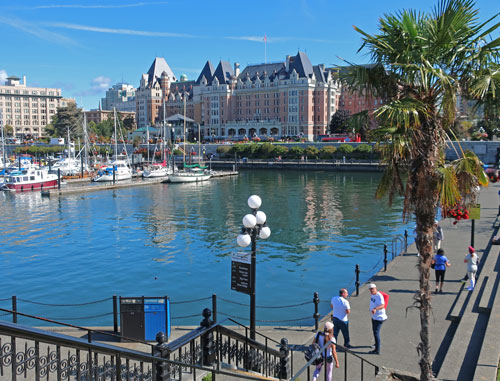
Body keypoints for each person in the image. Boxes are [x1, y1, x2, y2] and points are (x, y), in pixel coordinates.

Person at [368, 283, 387, 355]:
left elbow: (382, 305)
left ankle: (377, 350)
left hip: (379, 318)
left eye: (373, 289)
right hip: (374, 316)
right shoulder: (373, 294)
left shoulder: (379, 296)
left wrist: (375, 309)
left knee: (376, 333)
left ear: (376, 288)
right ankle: (376, 345)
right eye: (370, 289)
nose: (371, 290)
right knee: (375, 332)